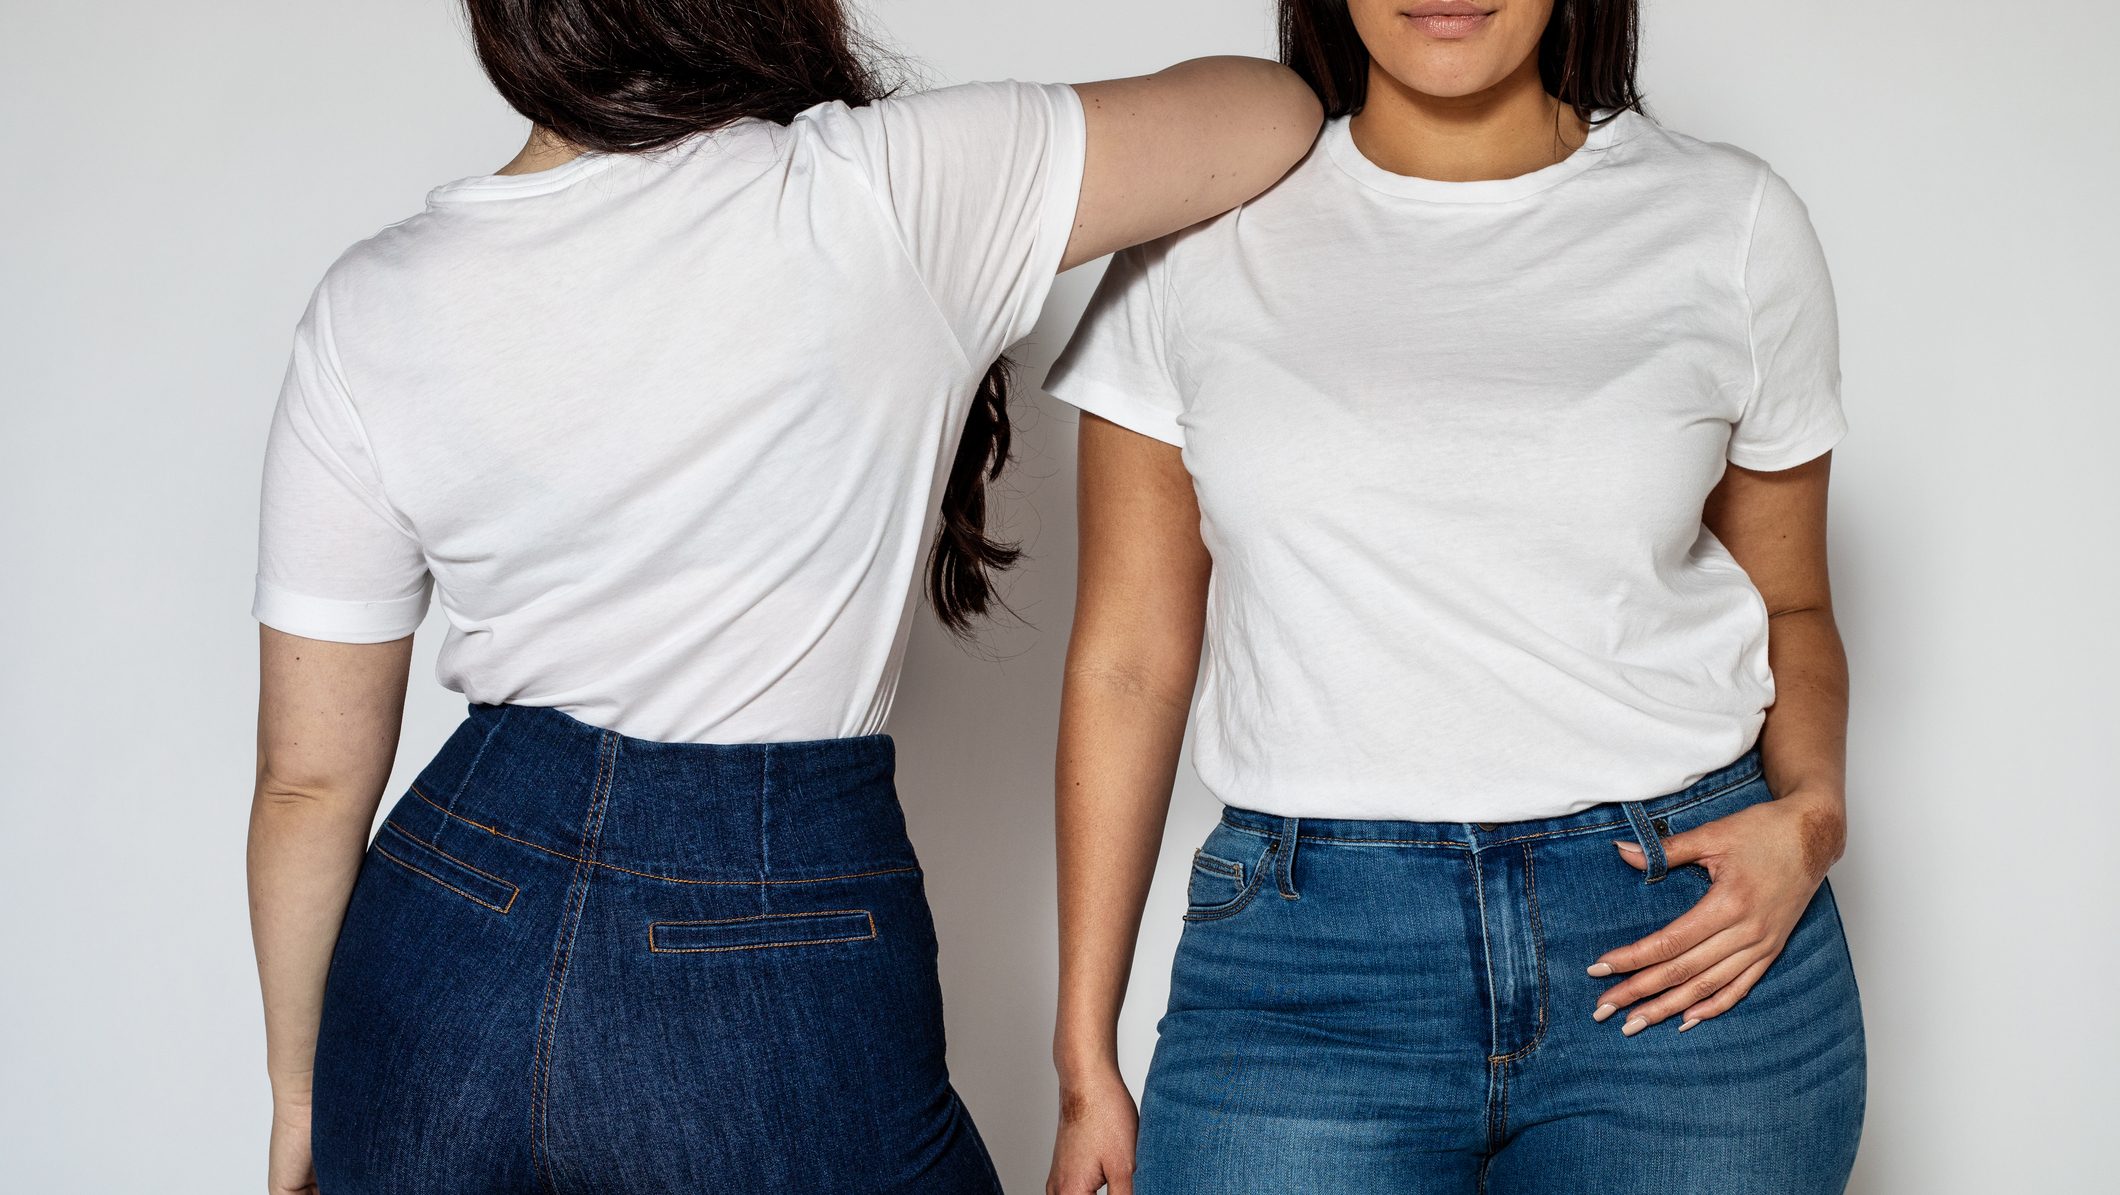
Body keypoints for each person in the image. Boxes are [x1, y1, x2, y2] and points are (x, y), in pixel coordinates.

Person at [244, 1, 1322, 1191]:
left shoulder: (373, 298)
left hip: (447, 928)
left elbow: (307, 783)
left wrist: (305, 1094)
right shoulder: (885, 191)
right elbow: (1267, 111)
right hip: (765, 927)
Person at [1044, 1, 1863, 1191]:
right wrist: (1082, 1059)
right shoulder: (1193, 239)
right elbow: (1127, 661)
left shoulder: (1728, 221)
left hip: (1679, 941)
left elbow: (1788, 602)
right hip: (1304, 969)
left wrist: (1813, 815)